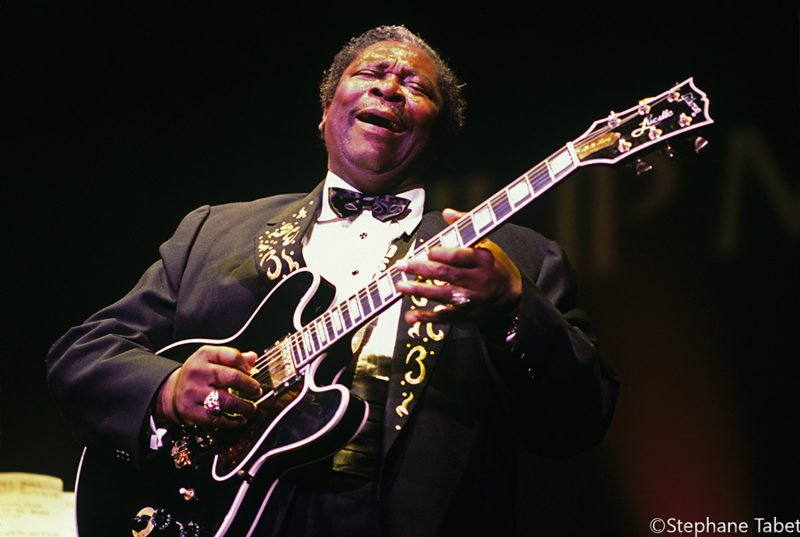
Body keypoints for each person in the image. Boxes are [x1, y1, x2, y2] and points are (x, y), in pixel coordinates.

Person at [48, 25, 618, 537]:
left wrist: (510, 305)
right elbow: (83, 355)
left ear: (438, 135)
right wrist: (168, 389)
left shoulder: (519, 259)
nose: (390, 88)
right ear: (325, 112)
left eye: (416, 88)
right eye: (371, 73)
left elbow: (580, 419)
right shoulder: (213, 232)